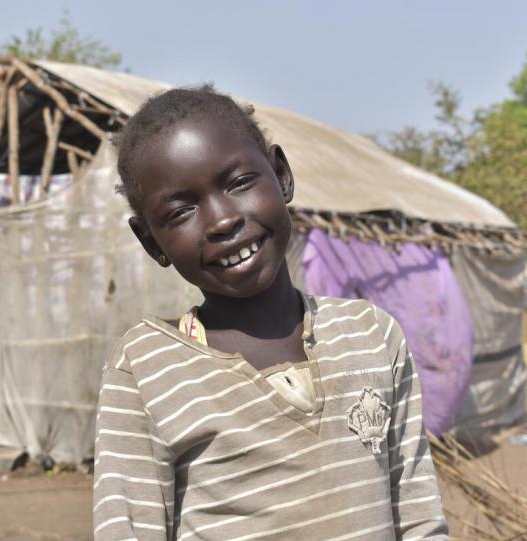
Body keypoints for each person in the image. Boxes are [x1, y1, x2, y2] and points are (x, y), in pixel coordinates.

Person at [93, 85, 449, 540]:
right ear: (151, 242)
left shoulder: (371, 336)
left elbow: (419, 517)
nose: (223, 220)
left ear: (281, 175)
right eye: (181, 211)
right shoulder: (145, 370)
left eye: (239, 183)